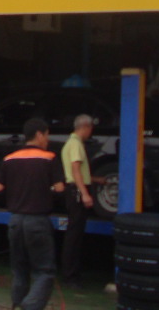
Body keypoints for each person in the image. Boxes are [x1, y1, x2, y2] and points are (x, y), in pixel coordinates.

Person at [0, 118, 65, 310]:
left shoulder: (10, 159)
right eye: (47, 135)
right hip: (38, 221)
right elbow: (60, 189)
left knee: (19, 270)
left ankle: (17, 305)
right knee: (45, 271)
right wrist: (46, 195)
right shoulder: (49, 158)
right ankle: (29, 306)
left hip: (15, 220)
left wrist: (13, 200)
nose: (48, 140)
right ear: (39, 135)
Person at [60, 114, 107, 289]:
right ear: (85, 127)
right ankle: (70, 276)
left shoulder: (71, 143)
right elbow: (76, 170)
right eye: (90, 129)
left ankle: (71, 273)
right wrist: (85, 193)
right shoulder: (76, 144)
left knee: (75, 232)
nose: (91, 133)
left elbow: (79, 172)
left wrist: (95, 179)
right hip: (76, 191)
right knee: (74, 234)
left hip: (74, 189)